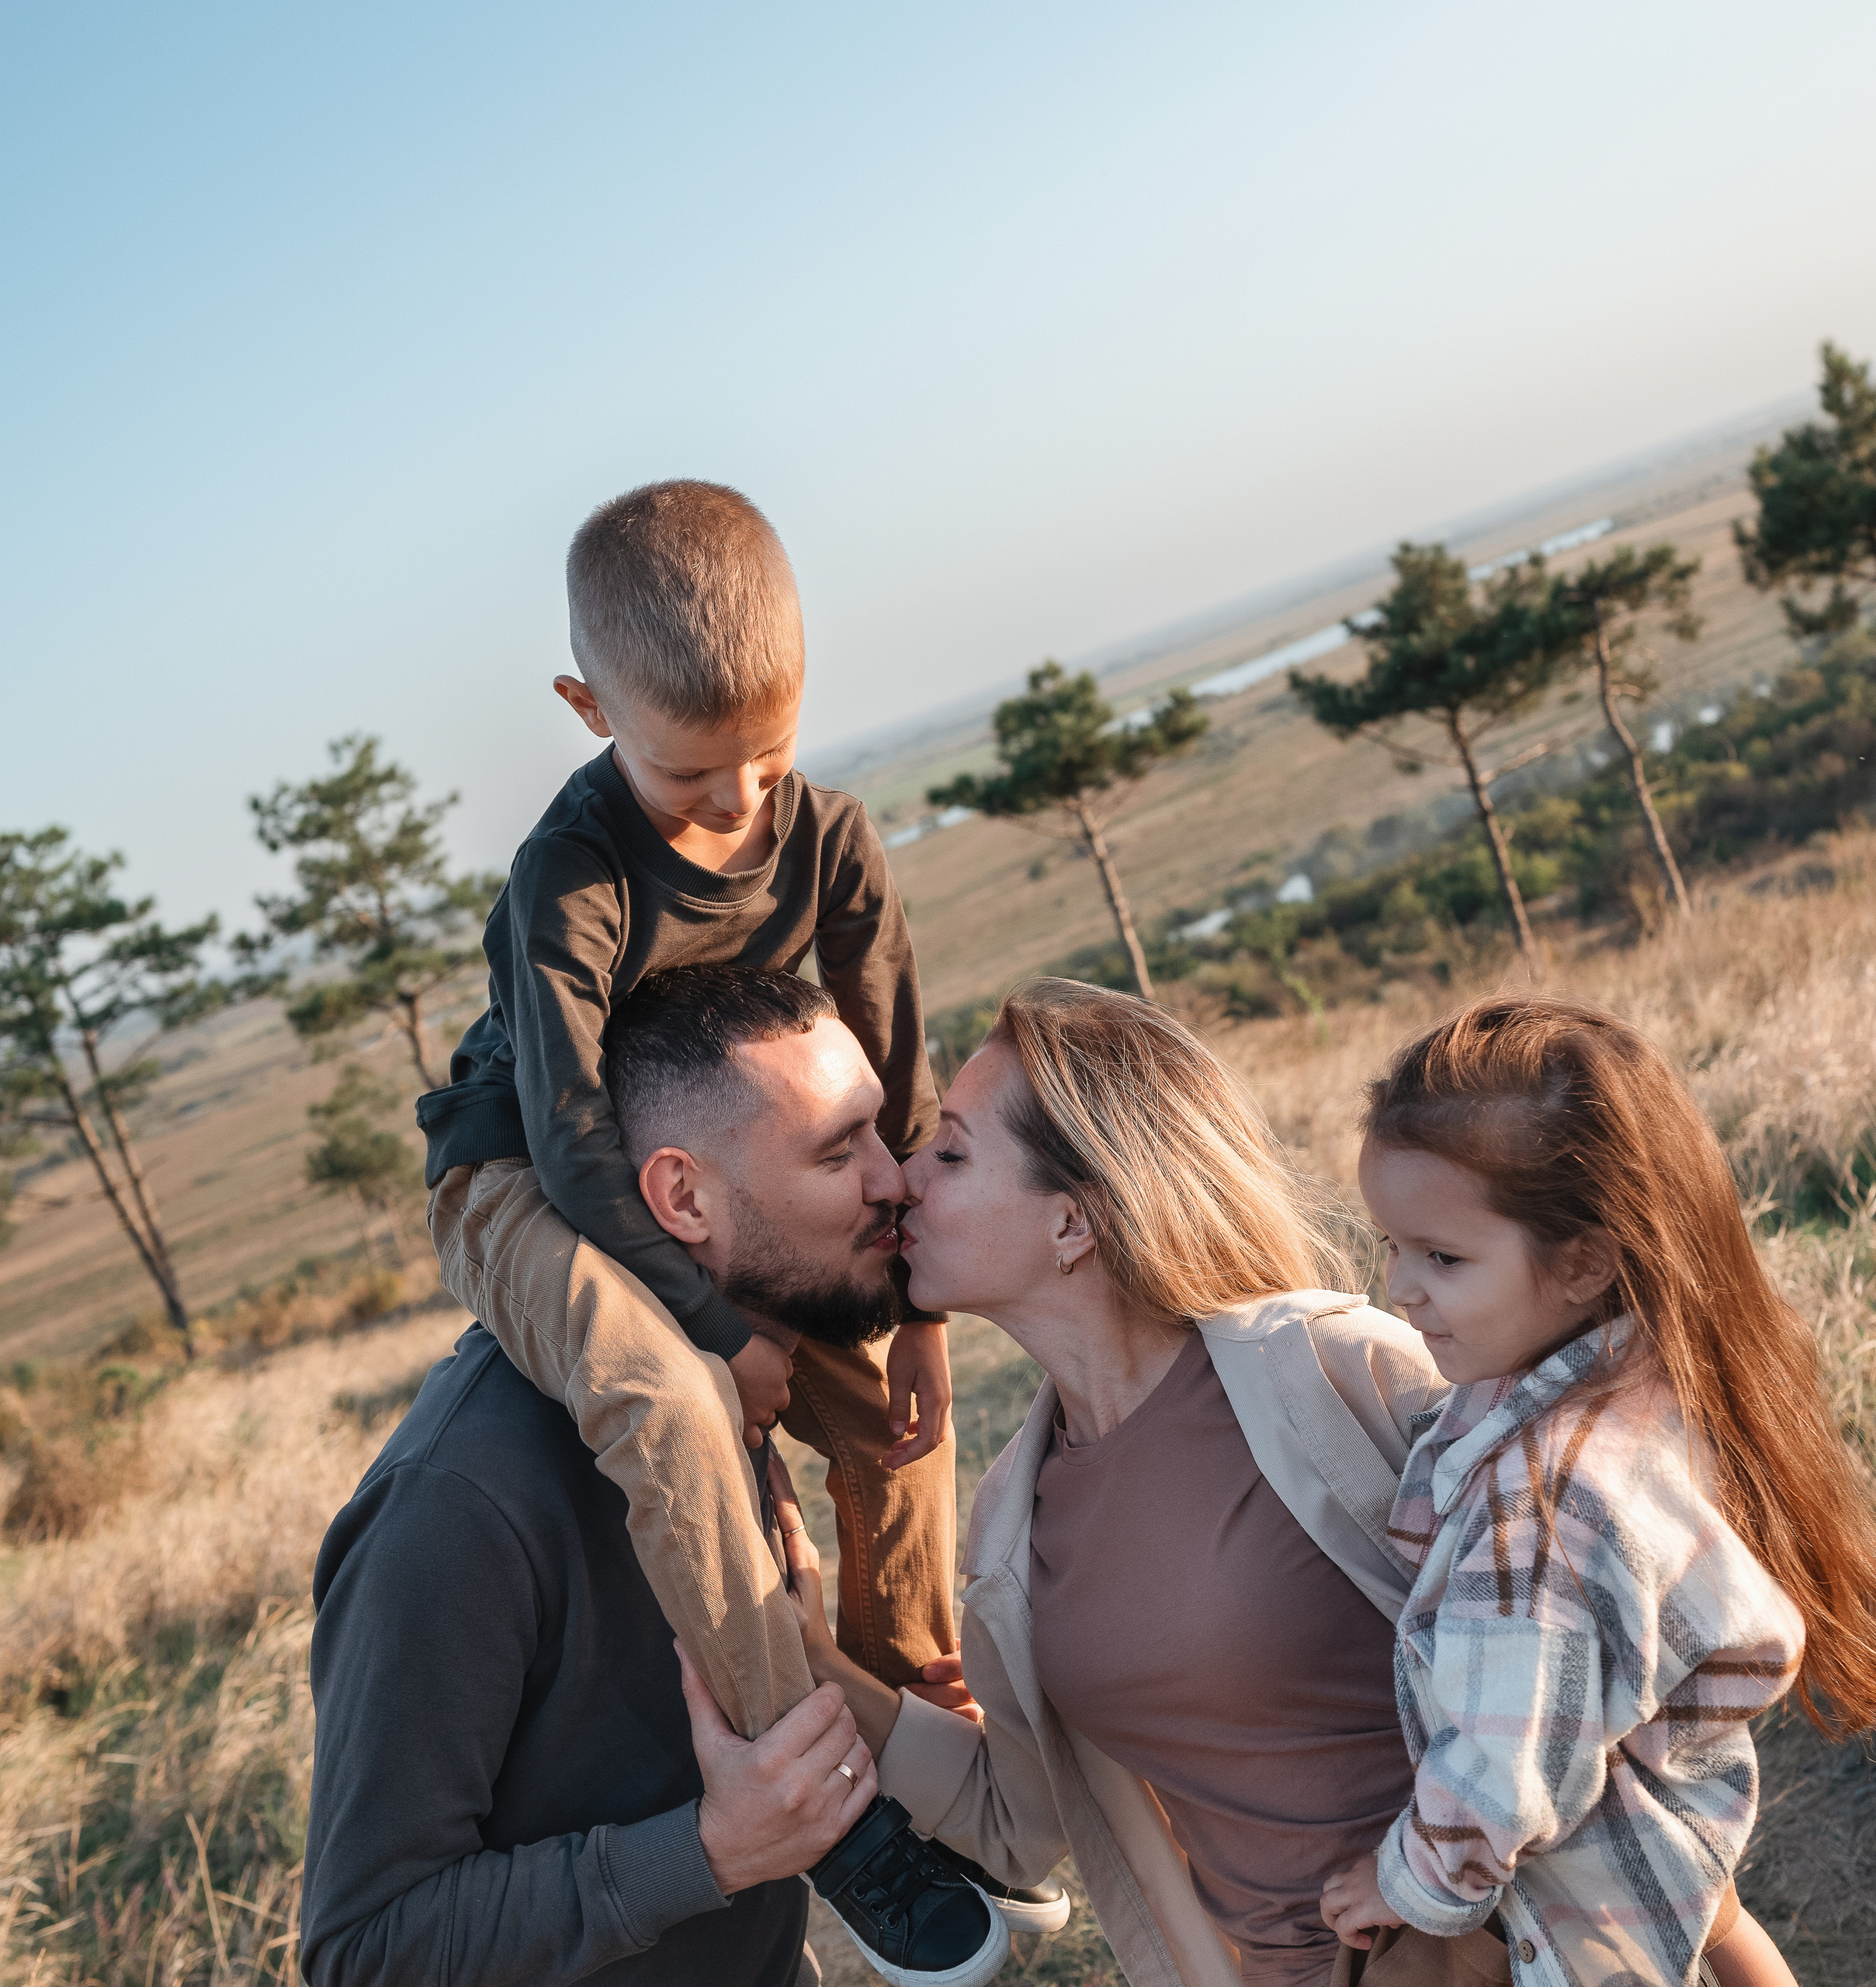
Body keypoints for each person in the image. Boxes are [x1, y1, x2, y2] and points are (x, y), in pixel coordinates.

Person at [412, 484, 988, 1975]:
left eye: (771, 757)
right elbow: (567, 1132)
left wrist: (915, 1298)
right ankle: (827, 1803)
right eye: (691, 770)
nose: (740, 804)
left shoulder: (832, 841)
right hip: (529, 1184)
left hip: (698, 1177)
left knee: (896, 1420)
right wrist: (717, 1326)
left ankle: (916, 1713)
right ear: (586, 706)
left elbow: (900, 1077)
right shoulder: (572, 874)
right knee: (665, 1394)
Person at [304, 966, 1009, 1987]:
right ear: (681, 1198)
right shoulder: (458, 1506)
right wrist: (716, 1852)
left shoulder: (742, 1386)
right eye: (835, 1151)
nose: (891, 1180)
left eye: (879, 1135)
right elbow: (362, 1952)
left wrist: (887, 1723)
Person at [780, 976, 1460, 1986]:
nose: (903, 1178)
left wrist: (1470, 1931)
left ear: (1074, 1224)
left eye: (953, 1152)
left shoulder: (1334, 1373)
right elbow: (1016, 1819)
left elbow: (1576, 1621)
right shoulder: (1015, 1517)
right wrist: (813, 1664)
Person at [1316, 995, 1876, 1987]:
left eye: (1443, 1257)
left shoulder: (1541, 1502)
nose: (1399, 1291)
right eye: (1391, 1245)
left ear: (1585, 1260)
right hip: (1669, 1841)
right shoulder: (1645, 1375)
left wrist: (1411, 1881)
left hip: (1580, 1908)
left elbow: (1504, 1769)